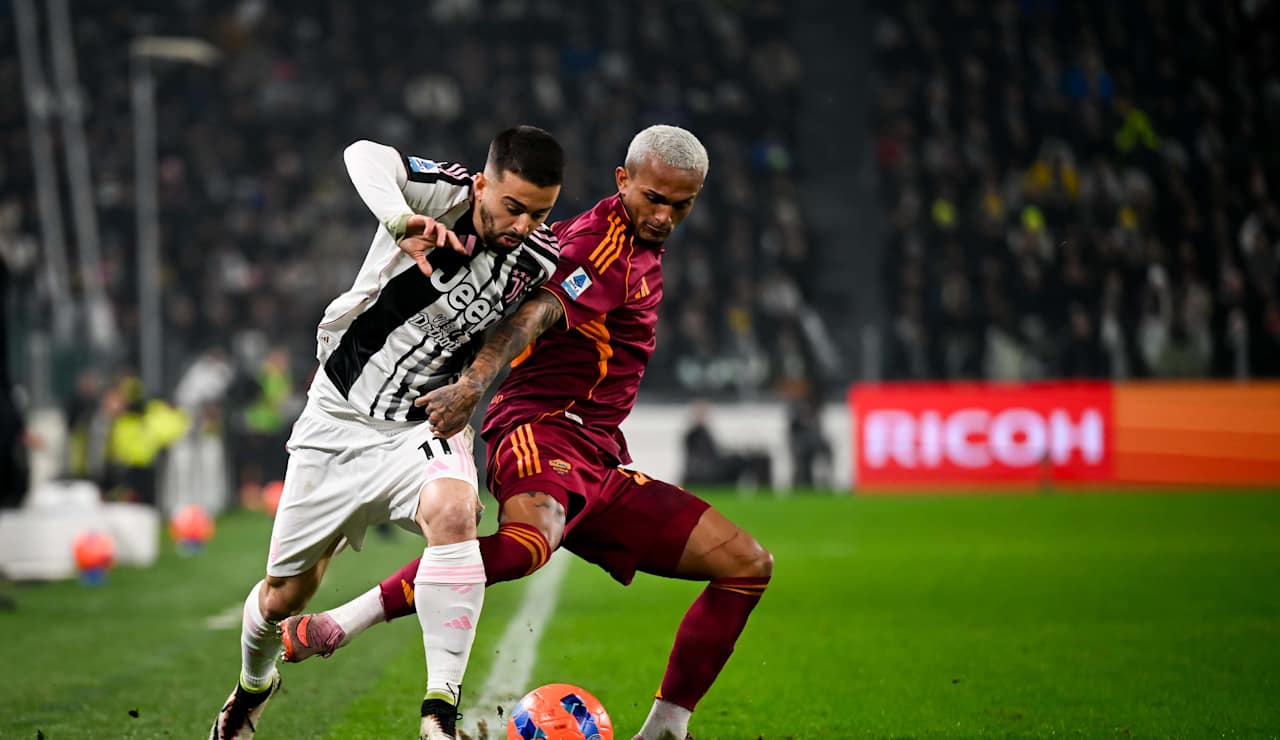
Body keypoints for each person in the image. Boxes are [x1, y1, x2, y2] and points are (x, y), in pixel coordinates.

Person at [281, 125, 773, 740]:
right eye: (654, 198)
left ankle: (666, 730)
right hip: (541, 428)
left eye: (682, 204)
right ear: (623, 181)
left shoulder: (639, 246)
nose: (664, 216)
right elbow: (534, 313)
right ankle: (343, 622)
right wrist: (473, 384)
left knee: (746, 565)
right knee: (527, 544)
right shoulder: (601, 245)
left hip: (597, 456)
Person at [208, 126, 566, 740]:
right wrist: (399, 220)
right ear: (483, 184)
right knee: (283, 596)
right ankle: (254, 684)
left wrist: (475, 381)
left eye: (540, 213)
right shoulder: (442, 195)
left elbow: (525, 318)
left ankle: (438, 713)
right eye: (513, 206)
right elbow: (363, 155)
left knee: (455, 511)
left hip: (421, 424)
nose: (523, 224)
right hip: (337, 419)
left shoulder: (538, 257)